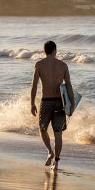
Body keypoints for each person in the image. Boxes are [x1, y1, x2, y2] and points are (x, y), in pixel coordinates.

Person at [31, 40, 75, 169]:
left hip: (46, 102)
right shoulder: (63, 65)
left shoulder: (39, 64)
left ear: (45, 51)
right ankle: (56, 162)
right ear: (55, 50)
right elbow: (68, 86)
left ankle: (50, 151)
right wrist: (72, 104)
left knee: (43, 129)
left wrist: (32, 103)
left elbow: (34, 85)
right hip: (60, 103)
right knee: (58, 133)